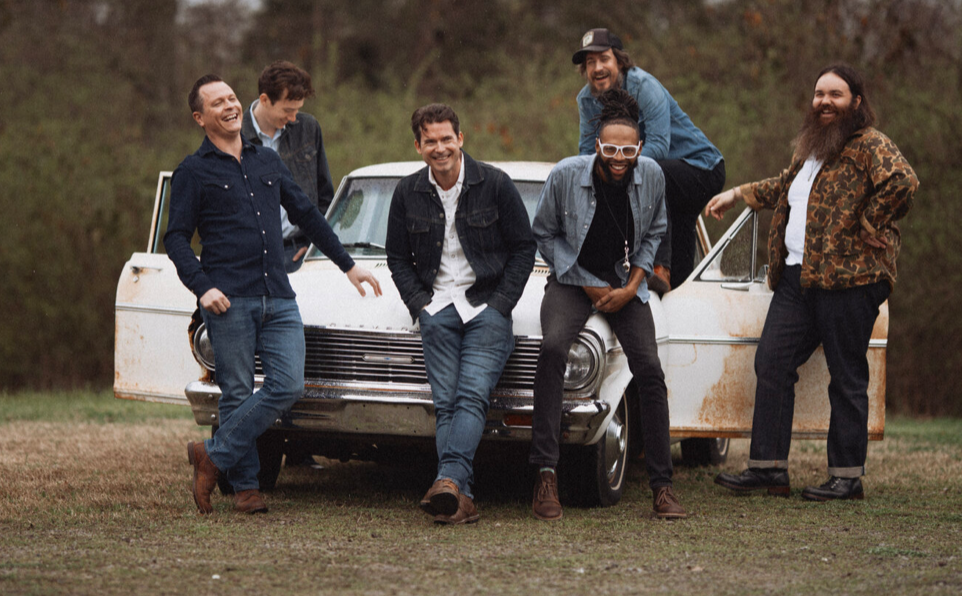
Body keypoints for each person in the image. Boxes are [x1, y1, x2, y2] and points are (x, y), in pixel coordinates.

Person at [166, 74, 382, 515]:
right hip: (229, 299)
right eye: (216, 103)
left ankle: (213, 454)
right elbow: (175, 239)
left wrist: (348, 264)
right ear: (199, 117)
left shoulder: (266, 161)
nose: (228, 106)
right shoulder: (194, 171)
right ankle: (246, 488)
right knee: (236, 392)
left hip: (280, 294)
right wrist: (202, 286)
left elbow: (307, 213)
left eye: (230, 97)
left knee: (288, 385)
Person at [707, 65, 918, 501]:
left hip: (850, 281)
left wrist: (868, 221)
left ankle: (846, 478)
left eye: (835, 94)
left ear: (856, 102)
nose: (824, 101)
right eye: (819, 93)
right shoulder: (812, 150)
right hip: (798, 279)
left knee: (846, 378)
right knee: (772, 363)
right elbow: (784, 187)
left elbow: (904, 182)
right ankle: (768, 470)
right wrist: (737, 194)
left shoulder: (869, 145)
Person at [530, 89, 688, 520]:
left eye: (628, 149)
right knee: (553, 350)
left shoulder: (652, 174)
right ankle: (546, 474)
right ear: (596, 145)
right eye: (611, 148)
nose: (619, 157)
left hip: (625, 285)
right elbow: (543, 234)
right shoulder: (566, 175)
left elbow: (655, 231)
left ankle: (663, 487)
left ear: (639, 148)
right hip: (571, 283)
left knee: (651, 372)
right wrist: (588, 286)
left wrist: (633, 283)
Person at [385, 104, 537, 525]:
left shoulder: (495, 184)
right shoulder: (407, 192)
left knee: (470, 395)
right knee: (446, 402)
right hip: (436, 309)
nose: (440, 148)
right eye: (430, 141)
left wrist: (502, 303)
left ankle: (447, 481)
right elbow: (396, 257)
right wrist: (420, 304)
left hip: (486, 307)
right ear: (418, 145)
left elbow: (525, 248)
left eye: (446, 139)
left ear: (461, 139)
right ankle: (459, 497)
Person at [573, 28, 725, 293]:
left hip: (702, 167)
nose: (597, 68)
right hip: (669, 178)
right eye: (590, 62)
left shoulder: (644, 86)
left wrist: (615, 166)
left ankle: (658, 266)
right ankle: (672, 291)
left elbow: (659, 146)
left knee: (647, 172)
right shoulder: (586, 100)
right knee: (679, 242)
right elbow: (587, 154)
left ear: (619, 61)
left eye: (604, 59)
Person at [241, 61, 334, 273]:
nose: (293, 118)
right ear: (265, 100)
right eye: (287, 110)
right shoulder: (235, 135)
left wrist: (314, 244)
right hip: (250, 259)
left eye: (297, 110)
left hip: (299, 253)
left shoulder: (308, 127)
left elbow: (325, 196)